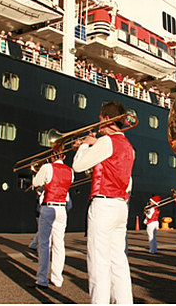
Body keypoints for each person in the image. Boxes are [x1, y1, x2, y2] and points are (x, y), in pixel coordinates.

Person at [72, 100, 134, 304]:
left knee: (98, 262)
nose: (98, 124)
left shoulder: (106, 141)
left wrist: (83, 146)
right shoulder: (129, 146)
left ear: (107, 118)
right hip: (120, 205)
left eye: (100, 119)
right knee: (118, 261)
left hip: (104, 205)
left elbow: (79, 166)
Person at [31, 153, 74, 288]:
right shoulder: (70, 171)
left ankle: (42, 279)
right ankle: (57, 279)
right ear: (64, 156)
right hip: (62, 208)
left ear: (51, 156)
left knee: (44, 244)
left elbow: (35, 183)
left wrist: (40, 173)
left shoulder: (47, 167)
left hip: (49, 207)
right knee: (59, 244)